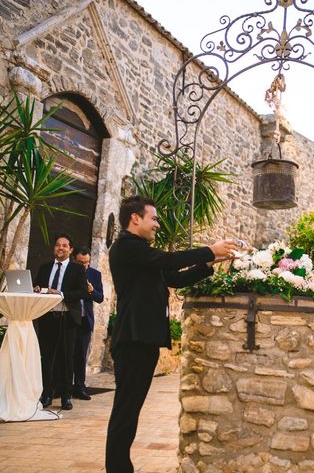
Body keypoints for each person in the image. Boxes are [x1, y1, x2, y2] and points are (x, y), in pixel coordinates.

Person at [105, 196, 238, 473]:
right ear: (135, 218)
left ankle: (120, 466)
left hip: (143, 339)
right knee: (126, 410)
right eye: (153, 218)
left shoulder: (142, 254)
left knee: (130, 409)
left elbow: (174, 278)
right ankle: (118, 468)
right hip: (133, 339)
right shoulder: (128, 247)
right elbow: (169, 260)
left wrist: (208, 265)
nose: (157, 224)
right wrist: (208, 250)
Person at [34, 233, 91, 411]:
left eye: (65, 246)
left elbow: (82, 292)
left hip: (67, 318)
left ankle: (66, 396)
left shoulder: (77, 269)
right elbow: (38, 286)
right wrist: (38, 289)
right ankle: (47, 394)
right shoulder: (44, 267)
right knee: (47, 357)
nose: (61, 248)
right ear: (54, 248)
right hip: (47, 317)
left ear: (70, 249)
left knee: (67, 358)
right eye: (58, 245)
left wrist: (61, 294)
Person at [71, 246, 104, 400]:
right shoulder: (68, 272)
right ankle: (61, 387)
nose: (84, 266)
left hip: (85, 320)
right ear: (74, 260)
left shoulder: (95, 275)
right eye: (80, 262)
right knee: (66, 354)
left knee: (81, 355)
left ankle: (79, 387)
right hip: (70, 318)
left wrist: (91, 291)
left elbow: (100, 298)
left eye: (86, 263)